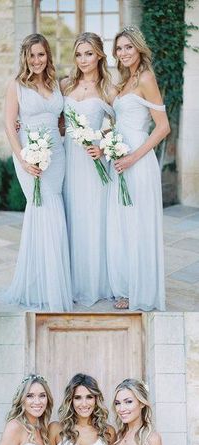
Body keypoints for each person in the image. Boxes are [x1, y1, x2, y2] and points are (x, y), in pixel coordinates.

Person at [3, 33, 72, 311]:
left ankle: (54, 282)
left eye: (41, 54)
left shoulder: (57, 84)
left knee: (54, 208)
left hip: (57, 155)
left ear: (48, 55)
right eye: (31, 55)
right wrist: (23, 159)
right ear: (25, 57)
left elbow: (62, 122)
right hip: (30, 156)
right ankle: (40, 284)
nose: (36, 61)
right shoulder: (16, 86)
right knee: (41, 209)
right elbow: (9, 125)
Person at [106, 26, 170, 311]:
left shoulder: (145, 78)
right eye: (119, 48)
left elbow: (163, 126)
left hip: (139, 161)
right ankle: (126, 287)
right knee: (121, 226)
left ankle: (140, 289)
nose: (123, 52)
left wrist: (133, 158)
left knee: (138, 224)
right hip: (119, 160)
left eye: (128, 47)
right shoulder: (124, 81)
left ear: (139, 48)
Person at [61, 32, 116, 306]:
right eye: (79, 54)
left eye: (89, 53)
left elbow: (121, 127)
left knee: (93, 219)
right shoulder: (66, 85)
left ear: (100, 55)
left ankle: (95, 282)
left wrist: (104, 147)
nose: (83, 59)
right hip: (68, 162)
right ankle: (69, 282)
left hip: (93, 163)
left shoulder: (109, 89)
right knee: (71, 217)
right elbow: (57, 122)